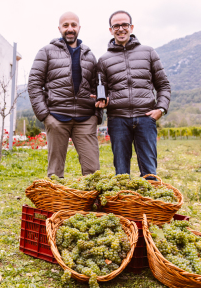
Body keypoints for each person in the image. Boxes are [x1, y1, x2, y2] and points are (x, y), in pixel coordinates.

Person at [96, 10, 171, 178]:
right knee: (121, 173)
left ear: (131, 27)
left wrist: (161, 109)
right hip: (117, 119)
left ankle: (149, 203)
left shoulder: (149, 52)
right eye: (116, 25)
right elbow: (101, 91)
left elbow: (163, 85)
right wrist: (102, 103)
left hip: (146, 117)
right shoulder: (103, 60)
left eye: (124, 25)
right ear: (110, 30)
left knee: (149, 171)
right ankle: (124, 203)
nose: (121, 29)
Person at [28, 12, 101, 177]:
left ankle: (91, 202)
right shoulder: (46, 52)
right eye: (66, 25)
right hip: (57, 118)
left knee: (93, 171)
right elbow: (34, 84)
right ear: (59, 28)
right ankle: (56, 202)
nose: (70, 29)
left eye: (73, 25)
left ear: (79, 28)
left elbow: (98, 87)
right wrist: (45, 116)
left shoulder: (90, 55)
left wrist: (96, 115)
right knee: (55, 172)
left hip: (85, 119)